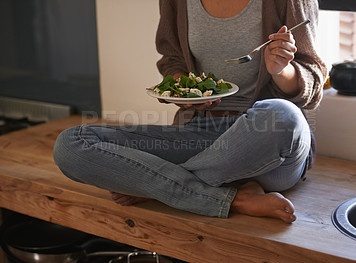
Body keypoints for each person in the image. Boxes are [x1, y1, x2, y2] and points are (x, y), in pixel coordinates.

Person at [53, 0, 327, 224]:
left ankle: (162, 187)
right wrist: (186, 93)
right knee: (71, 144)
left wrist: (282, 69)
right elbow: (172, 61)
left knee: (282, 115)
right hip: (201, 134)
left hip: (266, 144)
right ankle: (234, 197)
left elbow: (314, 83)